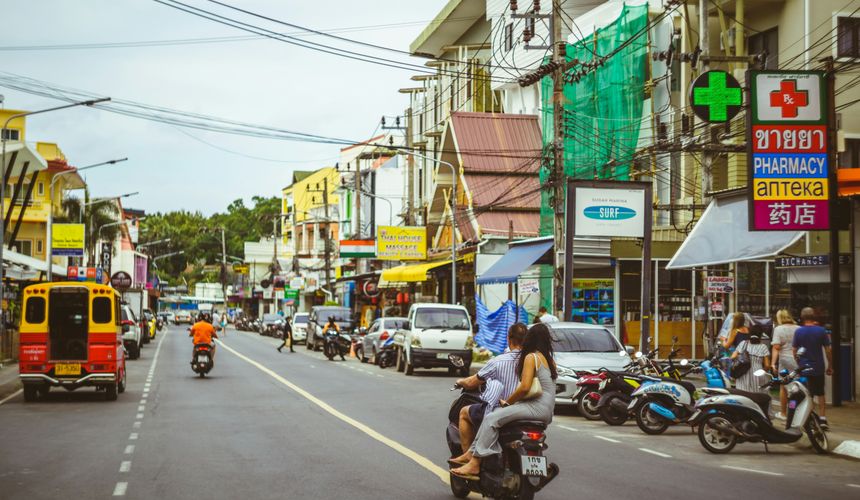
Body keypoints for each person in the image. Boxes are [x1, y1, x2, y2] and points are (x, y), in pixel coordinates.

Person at [450, 323, 557, 479]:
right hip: (547, 412)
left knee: (491, 418)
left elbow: (525, 387)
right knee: (497, 416)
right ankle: (472, 453)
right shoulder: (549, 360)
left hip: (535, 408)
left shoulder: (531, 357)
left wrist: (507, 402)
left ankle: (474, 462)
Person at [449, 323, 526, 458]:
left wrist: (461, 382)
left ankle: (468, 458)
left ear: (508, 339)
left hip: (502, 410)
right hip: (527, 411)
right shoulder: (534, 361)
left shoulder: (498, 361)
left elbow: (472, 382)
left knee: (464, 413)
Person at [793, 307, 833, 428]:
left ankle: (809, 417)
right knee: (820, 393)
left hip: (804, 367)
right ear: (814, 317)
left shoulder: (798, 332)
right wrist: (830, 365)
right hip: (818, 367)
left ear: (802, 317)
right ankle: (822, 419)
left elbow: (794, 351)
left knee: (807, 394)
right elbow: (828, 350)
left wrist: (798, 363)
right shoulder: (821, 331)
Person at [771, 309, 799, 419]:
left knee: (784, 387)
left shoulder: (779, 329)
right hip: (797, 360)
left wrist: (773, 363)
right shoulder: (798, 328)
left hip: (785, 360)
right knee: (796, 387)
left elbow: (776, 347)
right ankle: (794, 411)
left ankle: (784, 413)